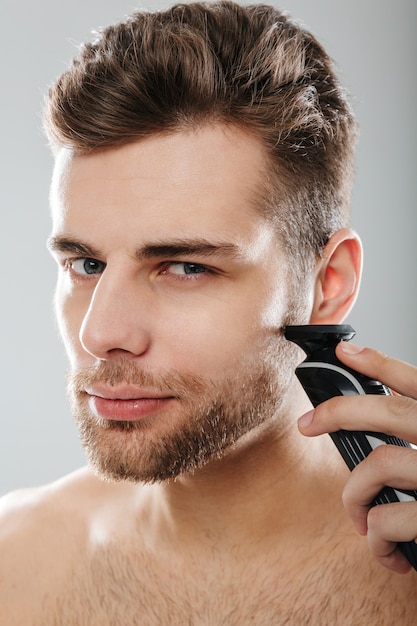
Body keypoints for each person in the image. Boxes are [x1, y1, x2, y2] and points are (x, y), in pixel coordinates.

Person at [1, 1, 416, 623]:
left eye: (186, 267)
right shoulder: (15, 562)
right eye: (86, 264)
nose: (101, 334)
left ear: (327, 283)